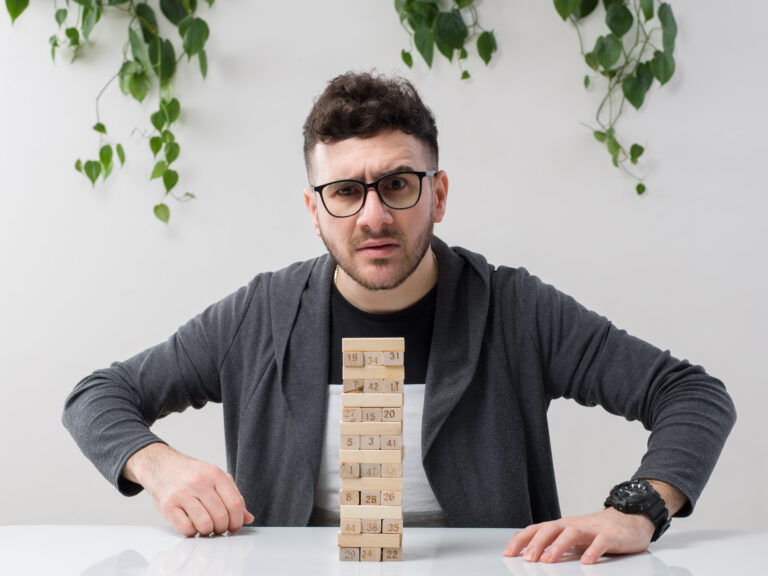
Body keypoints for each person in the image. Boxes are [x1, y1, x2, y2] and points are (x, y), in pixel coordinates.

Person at [63, 71, 736, 564]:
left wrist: (640, 507)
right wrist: (157, 464)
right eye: (346, 191)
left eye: (397, 184)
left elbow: (690, 393)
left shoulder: (514, 309)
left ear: (436, 194)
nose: (374, 216)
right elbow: (98, 396)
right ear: (314, 211)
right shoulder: (256, 317)